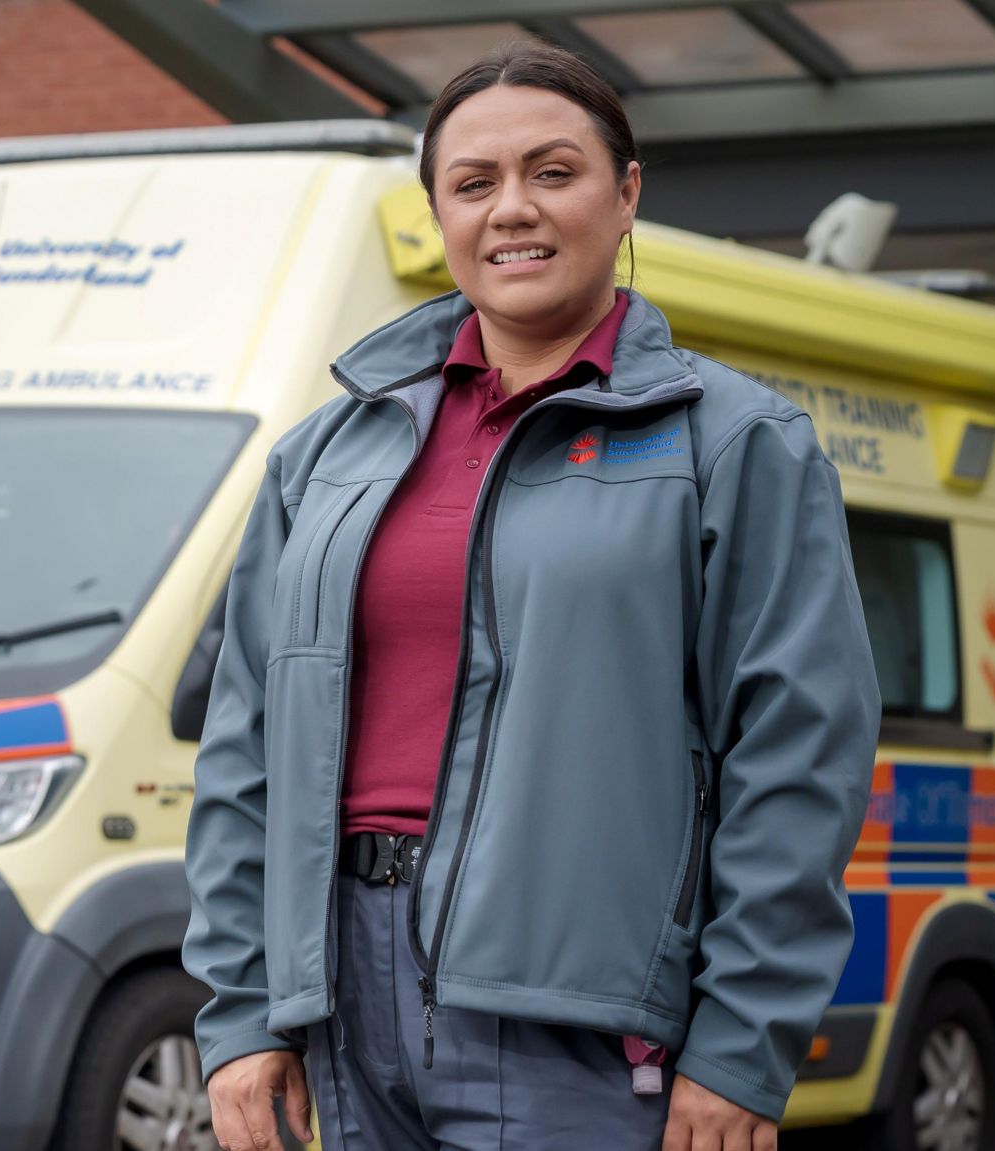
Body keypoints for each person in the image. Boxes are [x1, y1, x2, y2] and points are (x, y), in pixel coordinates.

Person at [183, 41, 880, 1151]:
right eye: (472, 184)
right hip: (341, 998)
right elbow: (243, 752)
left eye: (551, 172)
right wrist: (239, 1012)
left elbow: (795, 760)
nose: (511, 209)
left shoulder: (735, 442)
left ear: (625, 193)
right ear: (437, 215)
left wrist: (742, 1044)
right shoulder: (322, 454)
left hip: (579, 1020)